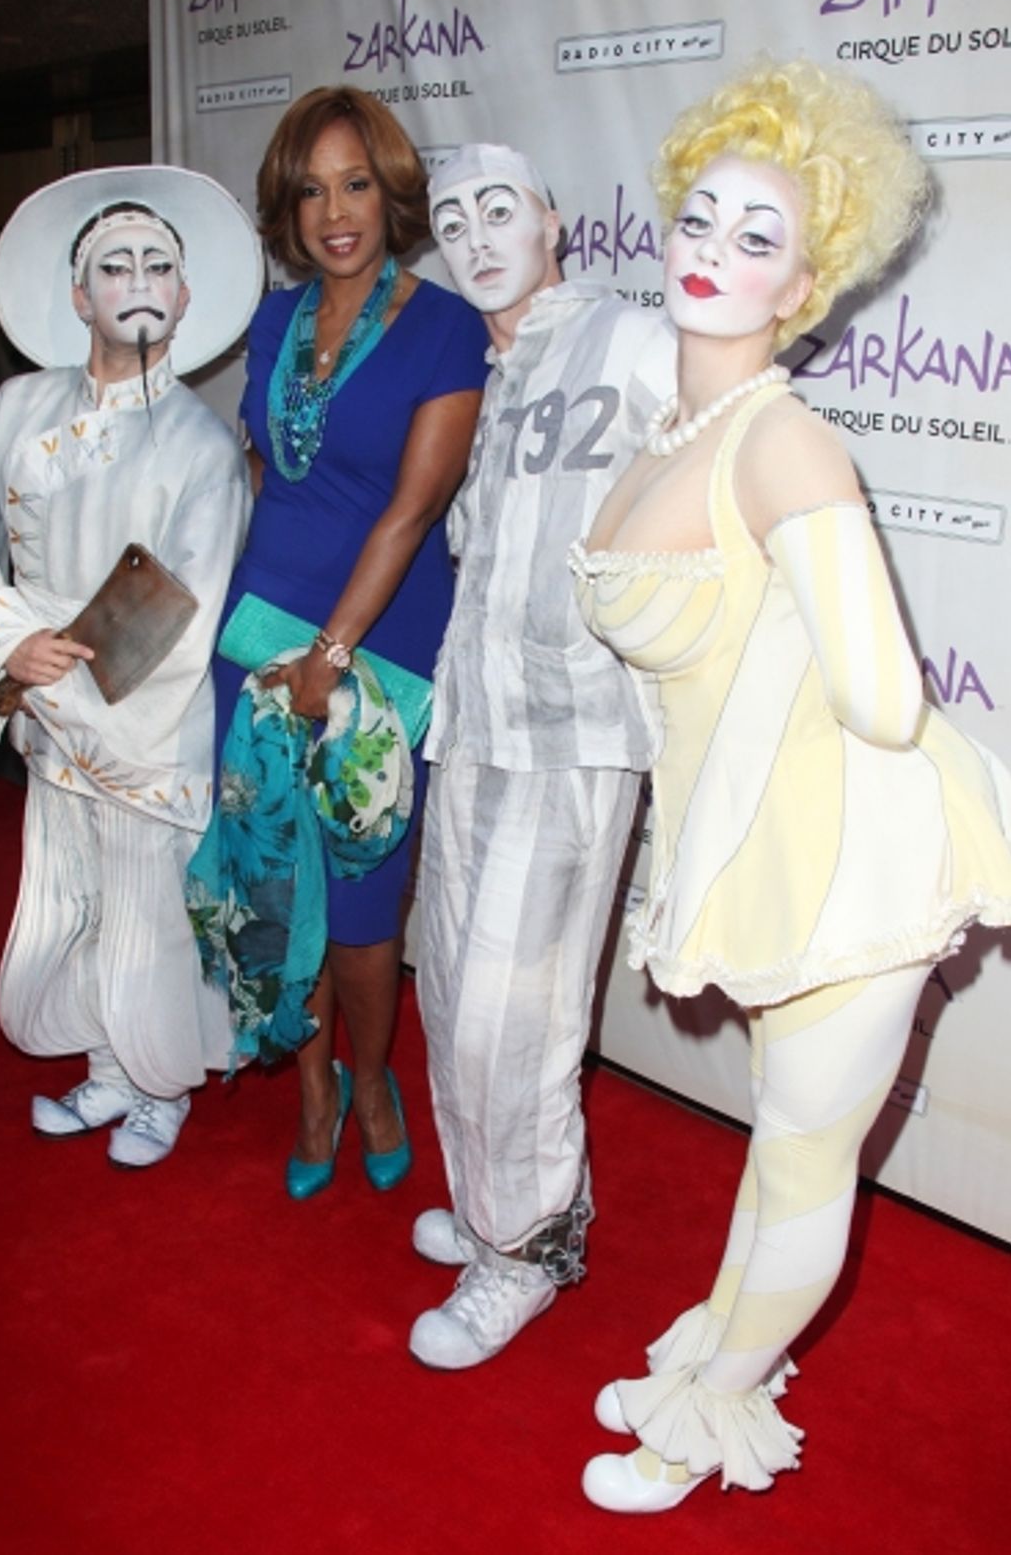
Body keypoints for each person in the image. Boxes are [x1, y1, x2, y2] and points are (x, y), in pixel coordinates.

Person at [570, 58, 1011, 1512]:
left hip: (860, 850)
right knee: (787, 1143)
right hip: (764, 836)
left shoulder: (784, 438)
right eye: (701, 219)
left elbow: (883, 694)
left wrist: (788, 617)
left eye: (757, 238)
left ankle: (703, 1415)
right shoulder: (683, 426)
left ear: (808, 284)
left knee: (801, 1159)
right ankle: (713, 1350)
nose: (714, 253)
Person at [0, 166, 261, 1168]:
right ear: (76, 294)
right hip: (44, 714)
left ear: (185, 298)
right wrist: (3, 638)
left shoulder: (198, 444)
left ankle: (161, 1086)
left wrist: (56, 688)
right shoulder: (16, 407)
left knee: (150, 911)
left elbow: (178, 611)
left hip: (142, 727)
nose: (137, 280)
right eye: (115, 264)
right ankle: (109, 1066)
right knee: (78, 899)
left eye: (158, 264)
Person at [409, 144, 673, 1369]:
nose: (472, 233)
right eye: (451, 217)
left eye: (498, 209)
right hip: (474, 719)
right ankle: (487, 1207)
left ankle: (522, 1252)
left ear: (554, 222)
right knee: (452, 984)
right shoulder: (484, 366)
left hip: (575, 730)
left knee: (516, 1014)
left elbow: (717, 472)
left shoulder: (629, 338)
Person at [205, 86, 486, 1200]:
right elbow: (269, 470)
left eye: (356, 184)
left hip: (373, 648)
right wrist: (262, 636)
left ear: (391, 192)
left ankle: (374, 1079)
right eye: (312, 189)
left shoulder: (445, 325)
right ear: (287, 206)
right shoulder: (271, 322)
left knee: (367, 907)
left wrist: (329, 651)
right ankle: (312, 1084)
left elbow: (411, 510)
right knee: (275, 878)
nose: (336, 211)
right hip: (261, 631)